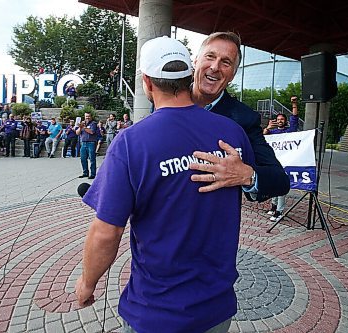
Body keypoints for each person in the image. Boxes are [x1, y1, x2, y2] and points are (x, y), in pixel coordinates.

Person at [75, 36, 255, 333]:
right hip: (217, 307)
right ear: (189, 76)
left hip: (157, 312)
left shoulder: (131, 143)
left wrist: (86, 283)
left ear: (147, 82)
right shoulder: (232, 132)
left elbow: (107, 232)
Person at [190, 32, 289, 202]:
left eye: (226, 62)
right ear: (196, 61)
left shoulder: (244, 119)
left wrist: (246, 175)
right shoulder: (167, 97)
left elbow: (280, 180)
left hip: (212, 220)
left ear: (233, 75)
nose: (215, 67)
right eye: (210, 56)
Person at [264, 96, 300, 221]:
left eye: (282, 119)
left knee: (281, 188)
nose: (280, 121)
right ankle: (274, 206)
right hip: (274, 164)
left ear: (285, 121)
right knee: (274, 186)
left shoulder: (290, 131)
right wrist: (268, 128)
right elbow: (263, 137)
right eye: (278, 119)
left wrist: (294, 105)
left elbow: (294, 119)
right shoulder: (273, 133)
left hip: (286, 164)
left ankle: (279, 211)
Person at [76, 113, 98, 179]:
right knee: (83, 159)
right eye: (86, 116)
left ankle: (93, 174)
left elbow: (91, 132)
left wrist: (83, 127)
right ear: (84, 117)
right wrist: (80, 127)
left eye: (88, 116)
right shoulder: (82, 124)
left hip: (91, 143)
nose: (87, 117)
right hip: (83, 143)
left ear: (91, 117)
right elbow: (77, 133)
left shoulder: (93, 123)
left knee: (92, 159)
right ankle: (85, 173)